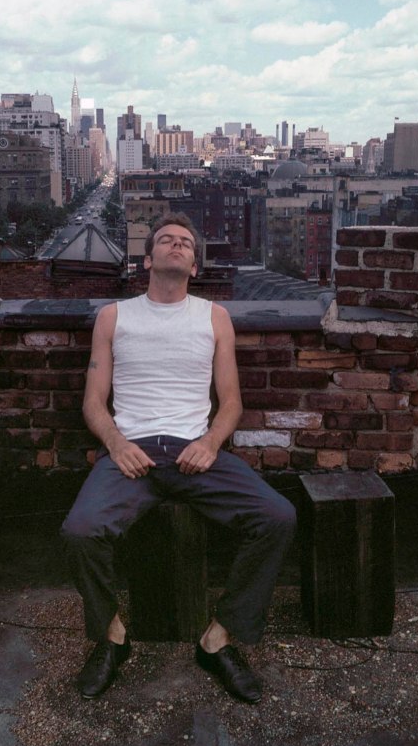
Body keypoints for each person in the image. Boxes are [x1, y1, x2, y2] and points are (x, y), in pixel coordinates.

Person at [60, 216, 296, 704]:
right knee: (79, 531)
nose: (176, 245)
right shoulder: (114, 316)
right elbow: (92, 402)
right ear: (147, 260)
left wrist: (210, 443)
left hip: (195, 451)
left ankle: (219, 638)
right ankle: (111, 638)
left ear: (194, 264)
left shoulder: (213, 317)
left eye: (186, 242)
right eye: (166, 240)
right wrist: (117, 443)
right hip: (132, 453)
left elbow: (231, 401)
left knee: (277, 516)